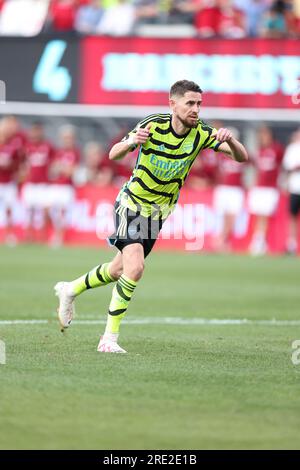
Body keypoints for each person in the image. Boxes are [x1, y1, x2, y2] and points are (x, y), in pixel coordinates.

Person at [54, 79, 248, 353]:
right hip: (132, 204)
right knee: (135, 269)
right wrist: (132, 141)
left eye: (199, 104)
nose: (195, 109)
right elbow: (113, 153)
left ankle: (70, 289)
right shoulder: (153, 124)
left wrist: (232, 141)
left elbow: (241, 157)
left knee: (118, 269)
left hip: (158, 214)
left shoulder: (203, 133)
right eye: (190, 103)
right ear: (173, 104)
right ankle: (108, 339)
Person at [282, 128, 300, 255]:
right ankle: (292, 244)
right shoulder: (292, 149)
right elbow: (287, 167)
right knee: (292, 216)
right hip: (295, 187)